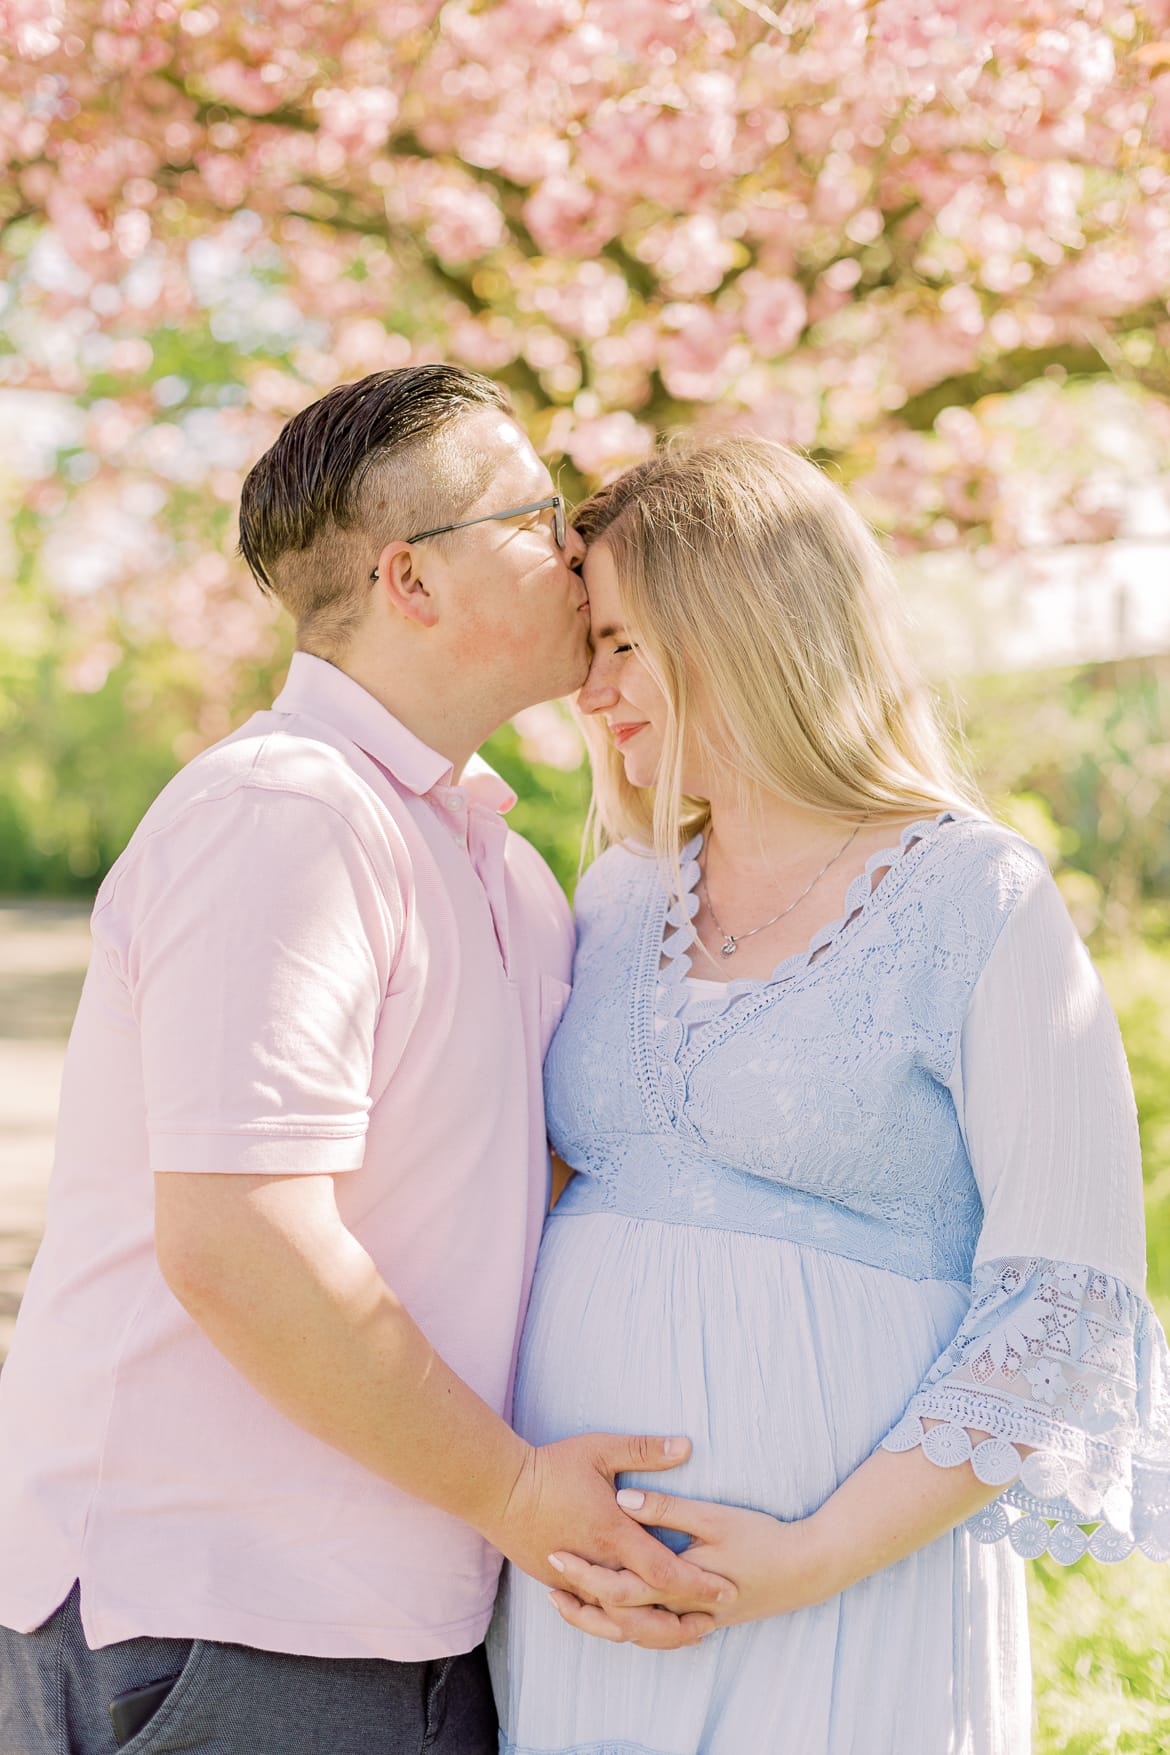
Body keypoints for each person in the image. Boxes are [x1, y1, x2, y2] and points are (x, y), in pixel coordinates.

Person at [0, 367, 729, 1755]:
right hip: (220, 1618)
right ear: (412, 579)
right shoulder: (283, 816)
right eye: (537, 515)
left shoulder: (499, 866)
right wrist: (516, 1493)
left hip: (407, 1613)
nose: (580, 549)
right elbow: (241, 1240)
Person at [489, 435, 1170, 1755]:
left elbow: (1066, 1301)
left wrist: (803, 1557)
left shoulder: (973, 896)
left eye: (622, 642)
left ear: (742, 625)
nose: (590, 687)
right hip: (586, 1605)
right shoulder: (619, 897)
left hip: (850, 1605)